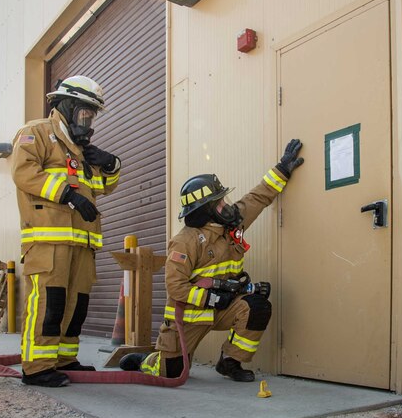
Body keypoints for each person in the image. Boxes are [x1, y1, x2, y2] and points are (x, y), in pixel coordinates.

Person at [120, 139, 304, 381]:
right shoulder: (184, 242)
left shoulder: (232, 224)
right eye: (219, 203)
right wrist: (211, 297)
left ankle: (230, 362)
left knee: (257, 306)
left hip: (224, 307)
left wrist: (282, 169)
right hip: (190, 316)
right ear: (204, 210)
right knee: (171, 372)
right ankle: (148, 360)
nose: (226, 205)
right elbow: (175, 287)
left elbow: (258, 197)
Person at [11, 75, 121, 387]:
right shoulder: (36, 133)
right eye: (85, 113)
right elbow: (23, 173)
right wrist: (67, 194)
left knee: (76, 305)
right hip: (49, 240)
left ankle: (65, 359)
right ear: (68, 106)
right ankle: (37, 367)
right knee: (49, 303)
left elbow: (101, 187)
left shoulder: (82, 150)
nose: (88, 121)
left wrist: (112, 165)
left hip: (82, 242)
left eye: (92, 115)